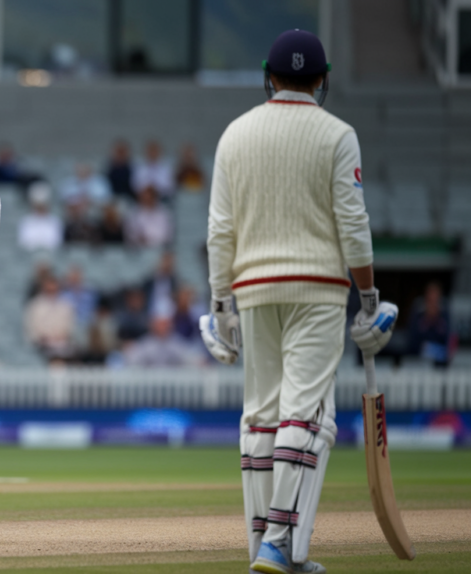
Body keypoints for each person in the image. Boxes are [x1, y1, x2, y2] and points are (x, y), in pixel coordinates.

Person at [200, 30, 398, 574]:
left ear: (269, 75)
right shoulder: (337, 134)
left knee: (261, 415)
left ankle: (264, 545)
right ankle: (279, 544)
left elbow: (220, 230)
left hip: (253, 287)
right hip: (317, 288)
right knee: (305, 414)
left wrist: (221, 304)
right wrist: (369, 298)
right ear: (323, 79)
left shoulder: (236, 134)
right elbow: (352, 224)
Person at [25, 276, 76, 360]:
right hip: (41, 345)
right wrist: (43, 338)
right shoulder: (35, 306)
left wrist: (62, 336)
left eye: (54, 290)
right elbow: (31, 328)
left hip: (62, 344)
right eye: (49, 291)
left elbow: (70, 326)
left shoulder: (66, 305)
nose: (52, 293)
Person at [124, 315, 203, 367]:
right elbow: (132, 359)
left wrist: (199, 361)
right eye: (159, 323)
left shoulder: (176, 342)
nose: (162, 327)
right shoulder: (145, 343)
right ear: (152, 325)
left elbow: (191, 357)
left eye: (165, 323)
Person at [407, 282, 454, 367]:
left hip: (440, 363)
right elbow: (412, 340)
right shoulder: (419, 313)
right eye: (430, 298)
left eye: (435, 298)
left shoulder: (444, 314)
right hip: (417, 361)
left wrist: (437, 321)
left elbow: (447, 340)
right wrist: (426, 321)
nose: (433, 301)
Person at [17, 182, 63, 251]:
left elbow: (56, 243)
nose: (41, 207)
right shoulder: (25, 221)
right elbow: (24, 243)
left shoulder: (55, 221)